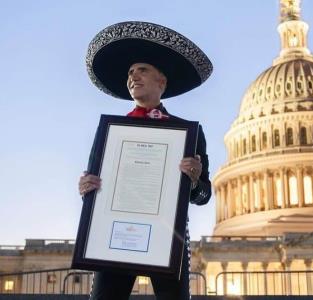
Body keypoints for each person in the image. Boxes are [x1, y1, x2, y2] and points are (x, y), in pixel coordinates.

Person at [78, 21, 213, 300]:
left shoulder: (189, 133)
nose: (133, 77)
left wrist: (195, 179)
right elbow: (96, 192)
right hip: (114, 236)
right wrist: (87, 188)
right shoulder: (110, 133)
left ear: (161, 82)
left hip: (168, 238)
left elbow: (203, 196)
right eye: (130, 72)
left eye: (142, 70)